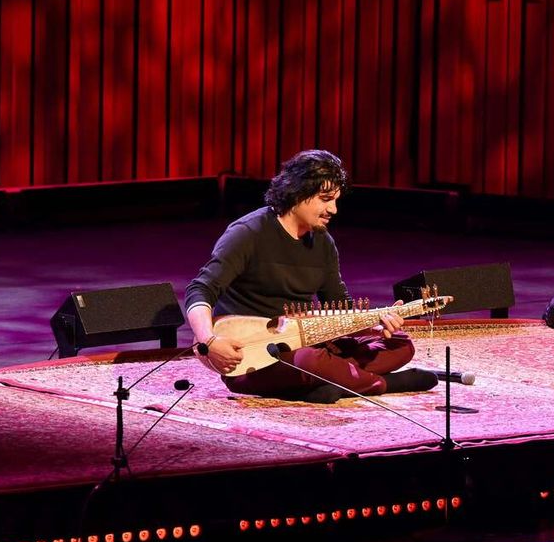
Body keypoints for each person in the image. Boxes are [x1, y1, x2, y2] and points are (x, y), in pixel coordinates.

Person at [185, 149, 437, 402]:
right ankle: (384, 384)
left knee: (400, 344)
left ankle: (328, 383)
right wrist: (210, 340)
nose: (334, 209)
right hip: (256, 358)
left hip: (308, 342)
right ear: (297, 192)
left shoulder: (322, 242)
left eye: (336, 200)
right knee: (309, 361)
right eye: (325, 198)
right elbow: (200, 290)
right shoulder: (248, 233)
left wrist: (374, 323)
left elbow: (339, 306)